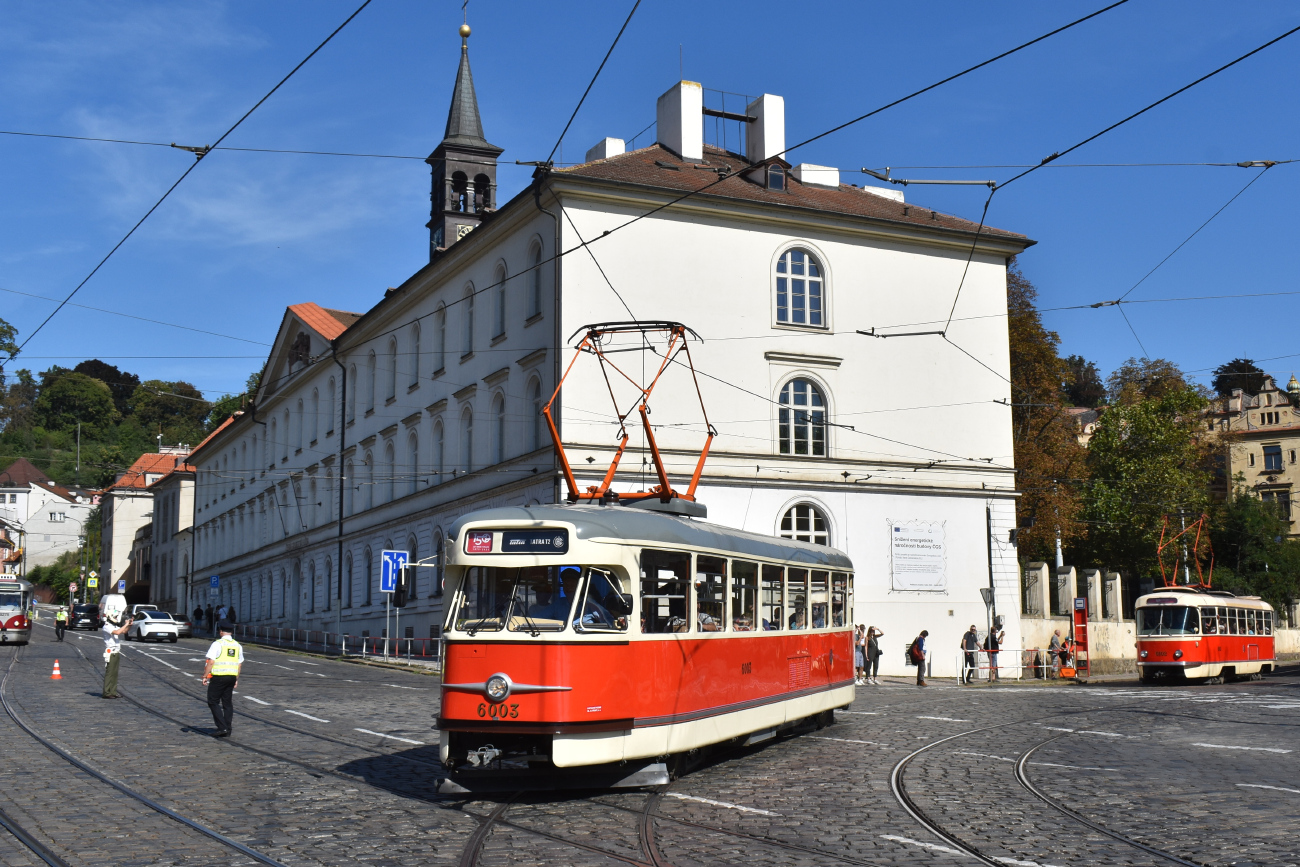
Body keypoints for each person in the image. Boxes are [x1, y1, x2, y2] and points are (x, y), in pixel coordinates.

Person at [203, 621, 243, 737]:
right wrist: (236, 679)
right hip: (231, 676)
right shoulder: (237, 645)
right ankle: (228, 728)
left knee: (213, 701)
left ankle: (222, 727)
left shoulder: (218, 644)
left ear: (220, 631)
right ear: (232, 632)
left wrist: (205, 675)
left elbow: (211, 661)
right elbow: (239, 664)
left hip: (219, 677)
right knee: (227, 703)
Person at [101, 602, 133, 699]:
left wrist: (129, 625)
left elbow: (124, 631)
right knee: (109, 673)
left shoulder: (113, 625)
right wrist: (125, 624)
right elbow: (118, 632)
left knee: (115, 673)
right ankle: (107, 692)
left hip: (116, 652)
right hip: (110, 652)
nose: (116, 618)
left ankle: (113, 691)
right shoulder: (106, 626)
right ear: (110, 616)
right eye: (114, 616)